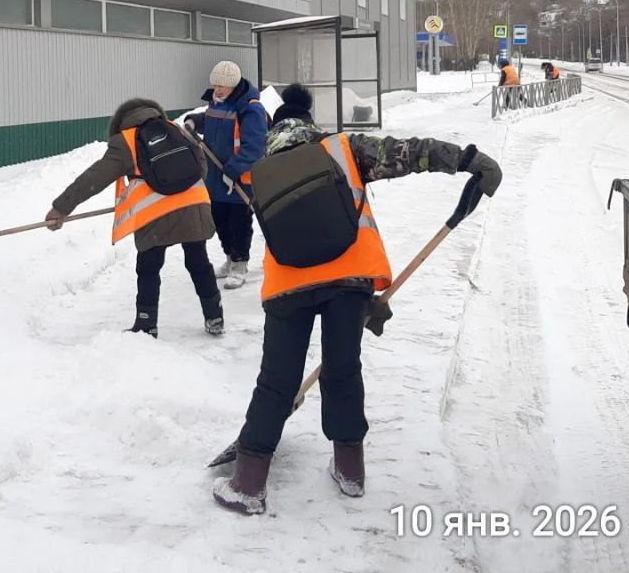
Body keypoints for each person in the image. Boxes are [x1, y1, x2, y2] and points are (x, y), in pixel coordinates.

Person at [212, 84, 502, 515]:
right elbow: (410, 152)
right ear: (311, 122)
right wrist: (465, 160)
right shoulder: (344, 148)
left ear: (275, 128)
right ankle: (351, 473)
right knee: (343, 369)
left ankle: (248, 483)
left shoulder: (258, 169)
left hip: (287, 288)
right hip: (349, 282)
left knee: (277, 380)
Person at [45, 98, 224, 338]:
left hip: (156, 216)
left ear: (121, 122)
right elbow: (201, 166)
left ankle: (146, 324)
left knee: (149, 268)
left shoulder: (126, 141)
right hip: (193, 206)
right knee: (199, 262)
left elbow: (95, 177)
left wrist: (62, 207)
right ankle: (215, 317)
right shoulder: (175, 128)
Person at [188, 61, 267, 290]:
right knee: (220, 220)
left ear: (234, 85)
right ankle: (230, 258)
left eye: (223, 86)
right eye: (215, 85)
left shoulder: (250, 109)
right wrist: (195, 120)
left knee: (238, 222)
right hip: (215, 177)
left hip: (239, 179)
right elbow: (210, 121)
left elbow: (254, 146)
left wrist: (233, 170)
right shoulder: (216, 102)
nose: (218, 90)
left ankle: (240, 264)